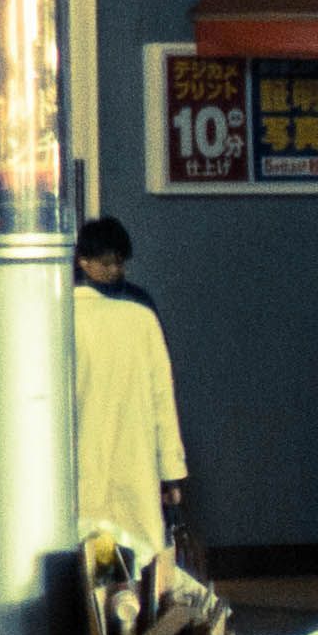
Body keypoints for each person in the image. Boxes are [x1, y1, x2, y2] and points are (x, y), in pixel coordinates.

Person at [72, 211, 197, 561]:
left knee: (91, 553)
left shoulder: (62, 312)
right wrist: (171, 473)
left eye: (120, 262)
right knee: (141, 560)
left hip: (86, 458)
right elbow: (162, 396)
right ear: (83, 261)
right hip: (135, 456)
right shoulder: (141, 311)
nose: (115, 270)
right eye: (107, 261)